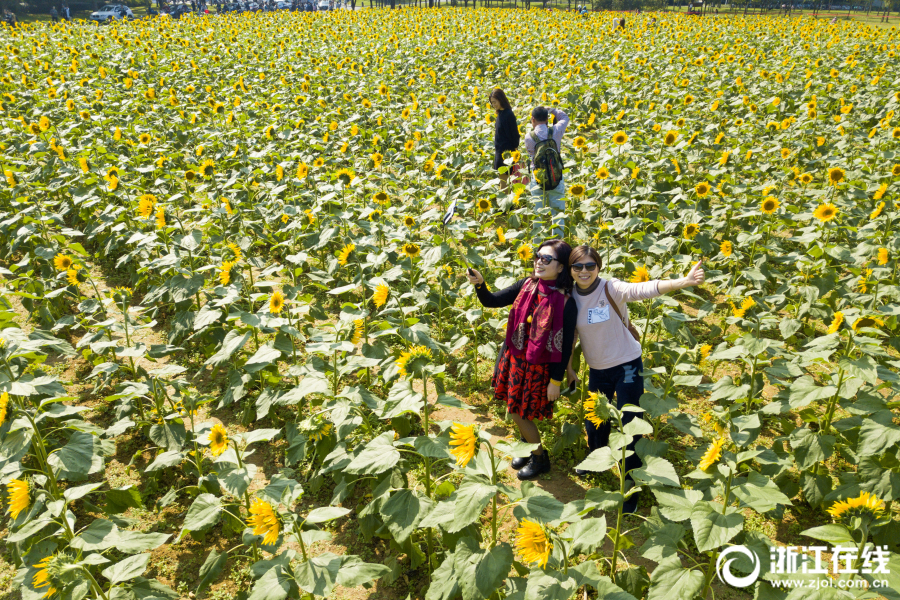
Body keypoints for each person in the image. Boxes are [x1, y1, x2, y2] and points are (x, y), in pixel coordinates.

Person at [567, 246, 705, 513]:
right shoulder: (570, 297)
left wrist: (682, 282)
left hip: (627, 365)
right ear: (571, 269)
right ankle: (596, 460)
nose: (584, 271)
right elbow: (572, 334)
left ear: (599, 266)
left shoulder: (611, 288)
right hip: (597, 369)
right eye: (578, 266)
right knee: (594, 420)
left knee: (629, 423)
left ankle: (630, 484)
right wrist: (570, 369)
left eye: (590, 265)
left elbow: (642, 290)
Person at [466, 240, 578, 480]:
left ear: (561, 268)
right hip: (515, 358)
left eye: (547, 259)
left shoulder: (566, 303)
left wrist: (556, 381)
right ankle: (527, 446)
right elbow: (492, 301)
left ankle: (539, 457)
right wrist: (480, 285)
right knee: (515, 407)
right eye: (538, 256)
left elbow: (565, 346)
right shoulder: (527, 284)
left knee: (519, 412)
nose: (539, 261)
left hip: (540, 367)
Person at [524, 106, 569, 240]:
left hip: (537, 178)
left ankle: (537, 245)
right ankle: (557, 244)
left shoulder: (529, 137)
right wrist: (553, 110)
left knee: (537, 214)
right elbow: (565, 118)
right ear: (547, 118)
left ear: (533, 119)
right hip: (556, 176)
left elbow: (532, 157)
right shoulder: (556, 131)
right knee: (558, 213)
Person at [489, 88, 520, 191]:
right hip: (500, 152)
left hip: (506, 153)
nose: (494, 105)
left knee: (504, 183)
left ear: (501, 99)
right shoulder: (500, 114)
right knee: (503, 181)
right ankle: (507, 205)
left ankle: (506, 206)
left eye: (495, 102)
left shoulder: (508, 115)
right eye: (492, 103)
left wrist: (514, 151)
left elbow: (514, 135)